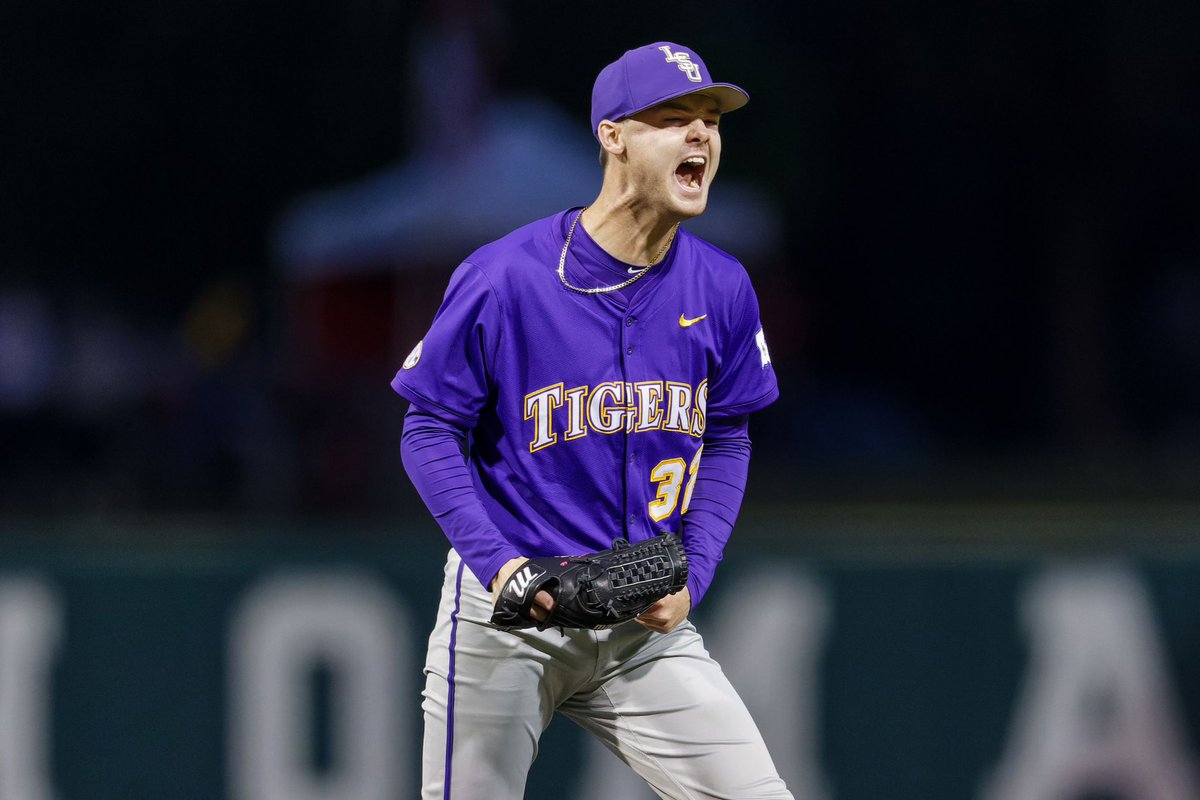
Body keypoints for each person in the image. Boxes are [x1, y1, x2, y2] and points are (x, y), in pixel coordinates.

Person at [393, 41, 791, 800]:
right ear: (613, 136)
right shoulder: (503, 278)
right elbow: (428, 431)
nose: (701, 134)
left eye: (711, 120)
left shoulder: (723, 286)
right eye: (673, 118)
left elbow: (727, 435)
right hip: (509, 614)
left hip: (641, 626)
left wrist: (696, 572)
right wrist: (500, 566)